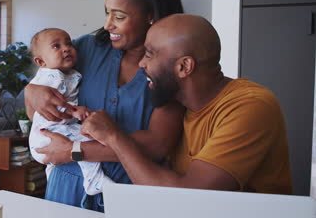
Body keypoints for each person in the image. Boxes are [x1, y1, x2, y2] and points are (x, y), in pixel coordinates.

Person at [24, 0, 185, 211]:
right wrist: (31, 92)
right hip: (66, 185)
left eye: (119, 16)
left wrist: (74, 151)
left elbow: (158, 144)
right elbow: (35, 111)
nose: (108, 24)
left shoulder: (172, 65)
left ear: (151, 15)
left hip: (130, 192)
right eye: (107, 13)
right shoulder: (86, 49)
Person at [81, 14, 293, 194]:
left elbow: (190, 200)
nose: (141, 64)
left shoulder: (251, 106)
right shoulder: (178, 103)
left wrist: (114, 136)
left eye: (150, 54)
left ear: (184, 67)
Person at [28, 27, 114, 195]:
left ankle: (53, 174)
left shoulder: (64, 74)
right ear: (41, 62)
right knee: (87, 144)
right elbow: (53, 107)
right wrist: (74, 110)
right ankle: (94, 181)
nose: (66, 48)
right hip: (51, 132)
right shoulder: (53, 77)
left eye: (68, 43)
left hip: (52, 133)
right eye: (56, 46)